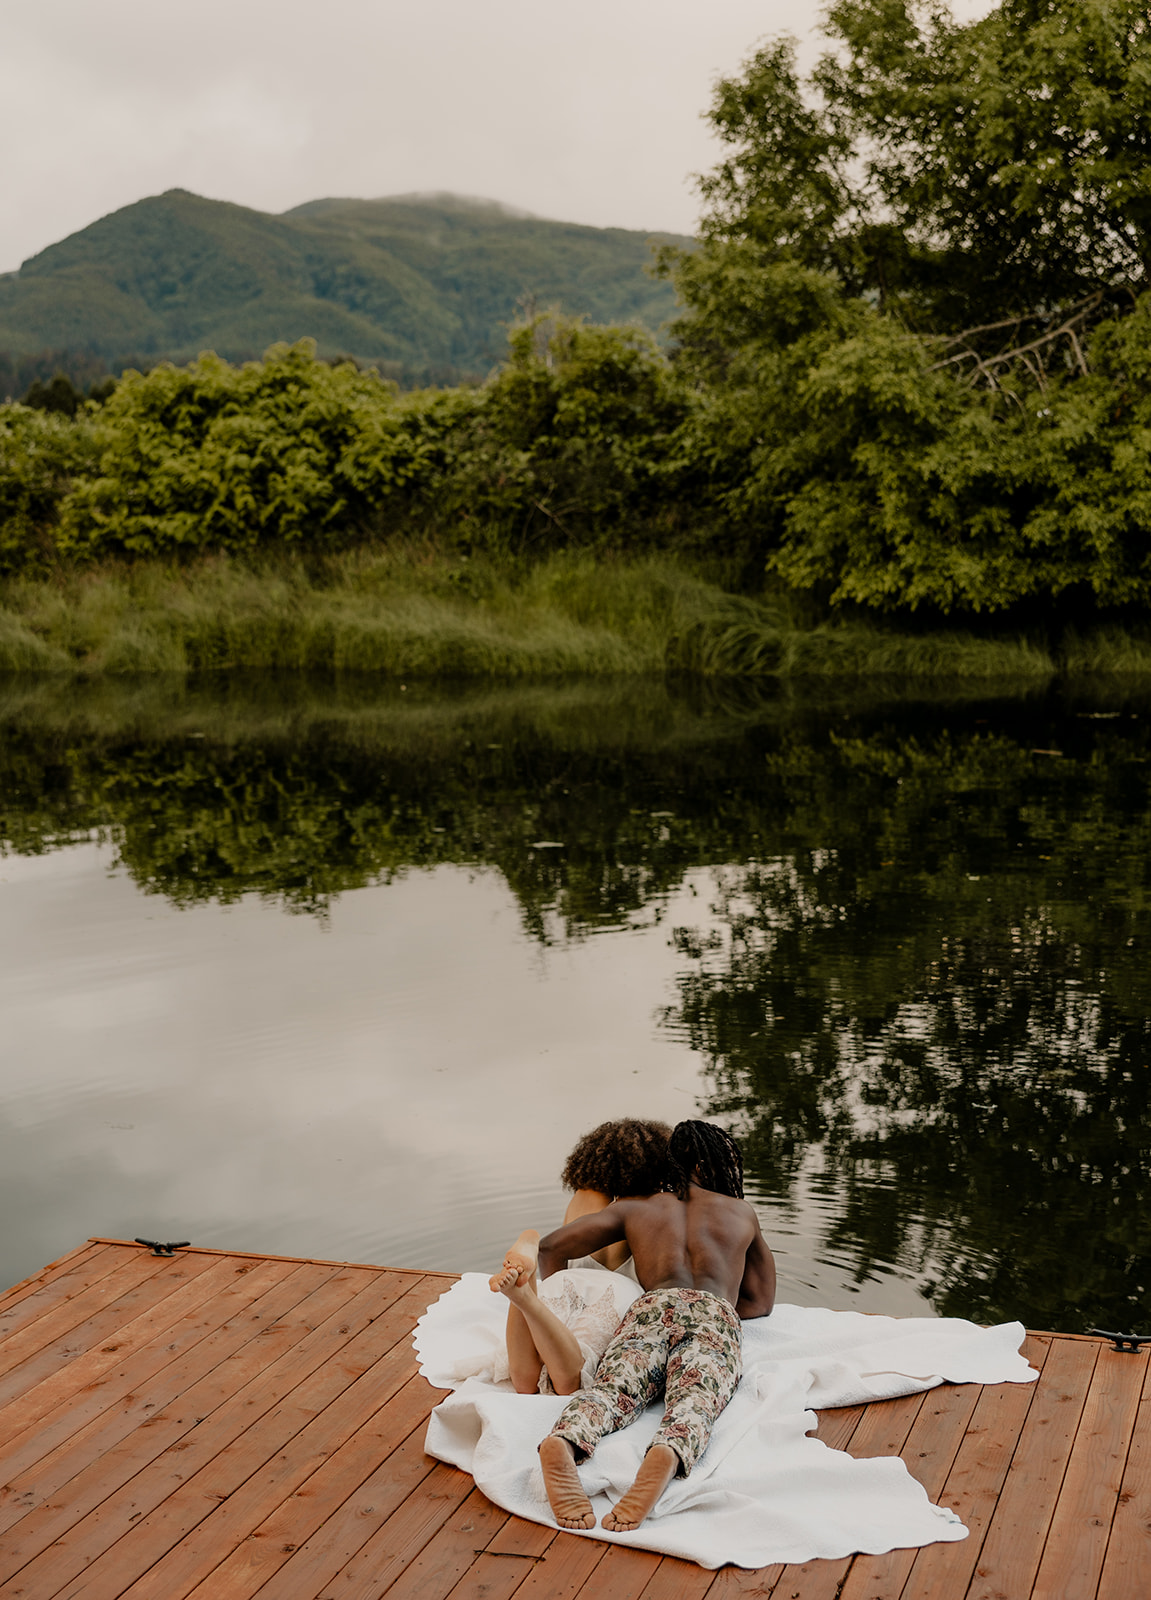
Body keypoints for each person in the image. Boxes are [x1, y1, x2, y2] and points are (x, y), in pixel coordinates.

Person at [532, 1120, 776, 1533]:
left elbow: (550, 1246)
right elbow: (761, 1301)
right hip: (712, 1312)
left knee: (613, 1391)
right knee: (695, 1402)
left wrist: (562, 1299)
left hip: (651, 1308)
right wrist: (720, 1310)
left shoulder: (637, 1207)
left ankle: (566, 1439)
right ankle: (667, 1450)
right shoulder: (740, 1212)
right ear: (712, 1163)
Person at [489, 1119, 671, 1395]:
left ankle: (530, 1297)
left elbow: (553, 1251)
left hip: (564, 1282)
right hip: (618, 1294)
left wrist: (557, 1287)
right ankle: (528, 1301)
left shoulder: (582, 1198)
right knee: (568, 1383)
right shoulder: (651, 1209)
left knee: (525, 1381)